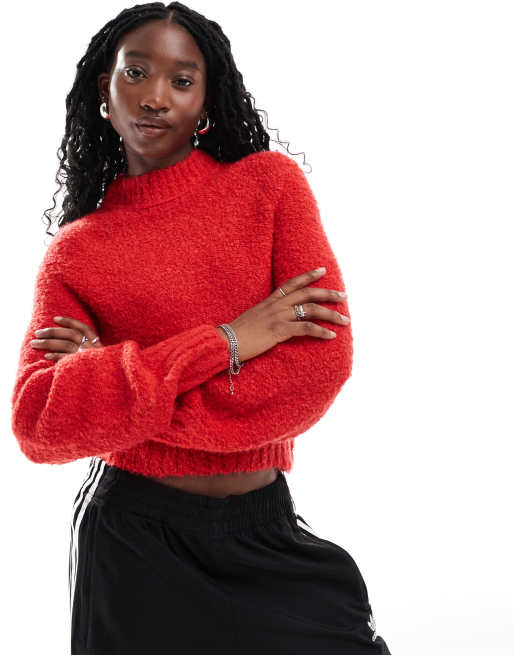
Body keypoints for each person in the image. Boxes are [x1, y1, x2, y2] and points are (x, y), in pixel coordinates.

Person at [11, 2, 392, 653]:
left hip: (264, 535)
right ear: (104, 89)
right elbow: (40, 423)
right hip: (133, 546)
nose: (155, 97)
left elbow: (318, 369)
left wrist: (118, 390)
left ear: (206, 100)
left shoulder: (269, 190)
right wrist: (231, 341)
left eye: (182, 80)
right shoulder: (77, 253)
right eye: (135, 72)